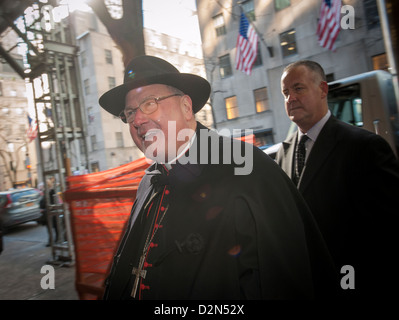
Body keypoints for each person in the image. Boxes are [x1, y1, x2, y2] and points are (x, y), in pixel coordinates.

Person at [98, 55, 337, 300]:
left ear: (186, 107)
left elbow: (287, 280)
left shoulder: (247, 168)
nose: (136, 120)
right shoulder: (148, 183)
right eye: (129, 113)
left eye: (149, 104)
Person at [276, 60, 399, 299]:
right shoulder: (284, 152)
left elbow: (389, 232)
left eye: (298, 88)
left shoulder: (364, 147)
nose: (290, 98)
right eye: (285, 92)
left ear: (323, 90)